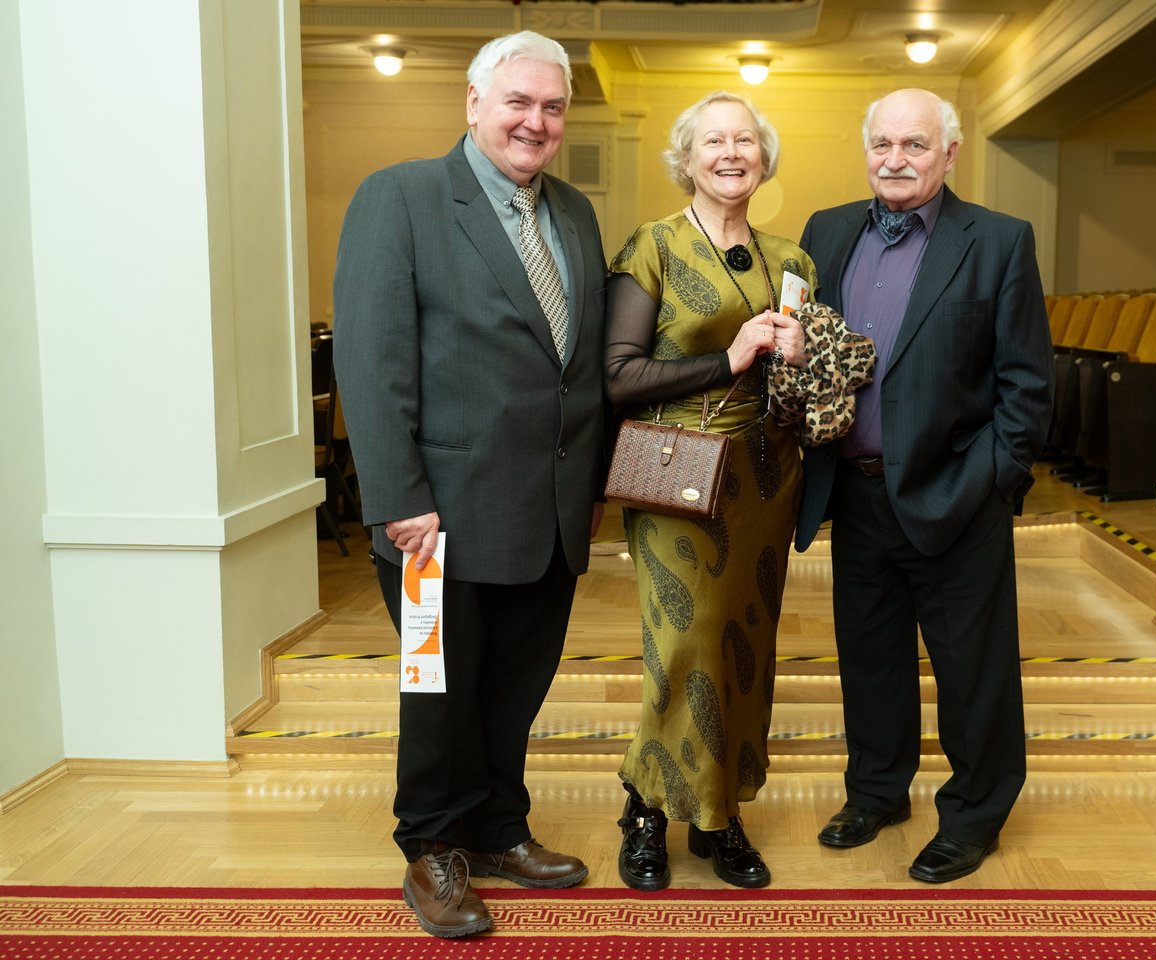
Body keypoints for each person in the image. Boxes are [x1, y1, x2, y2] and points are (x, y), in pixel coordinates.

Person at [332, 31, 608, 938]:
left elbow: (576, 368)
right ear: (474, 102)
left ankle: (497, 829)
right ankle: (433, 849)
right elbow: (371, 361)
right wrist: (398, 497)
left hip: (548, 512)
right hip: (434, 518)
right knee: (437, 692)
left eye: (553, 107)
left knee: (515, 687)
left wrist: (591, 488)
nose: (536, 121)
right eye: (518, 101)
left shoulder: (574, 211)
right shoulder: (401, 197)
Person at [795, 89, 1053, 883]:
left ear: (950, 152)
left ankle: (973, 816)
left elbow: (1026, 385)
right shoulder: (826, 231)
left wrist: (991, 480)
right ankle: (876, 792)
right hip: (856, 492)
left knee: (973, 671)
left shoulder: (999, 240)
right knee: (869, 658)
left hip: (957, 494)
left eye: (914, 144)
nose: (895, 160)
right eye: (882, 144)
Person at [604, 91, 811, 890]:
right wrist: (728, 359)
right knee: (685, 643)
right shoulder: (653, 245)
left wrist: (799, 359)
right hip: (676, 473)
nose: (732, 153)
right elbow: (619, 376)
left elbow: (799, 391)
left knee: (742, 647)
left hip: (765, 477)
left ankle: (718, 814)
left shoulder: (792, 261)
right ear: (687, 159)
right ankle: (648, 809)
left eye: (745, 140)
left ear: (764, 158)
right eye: (714, 141)